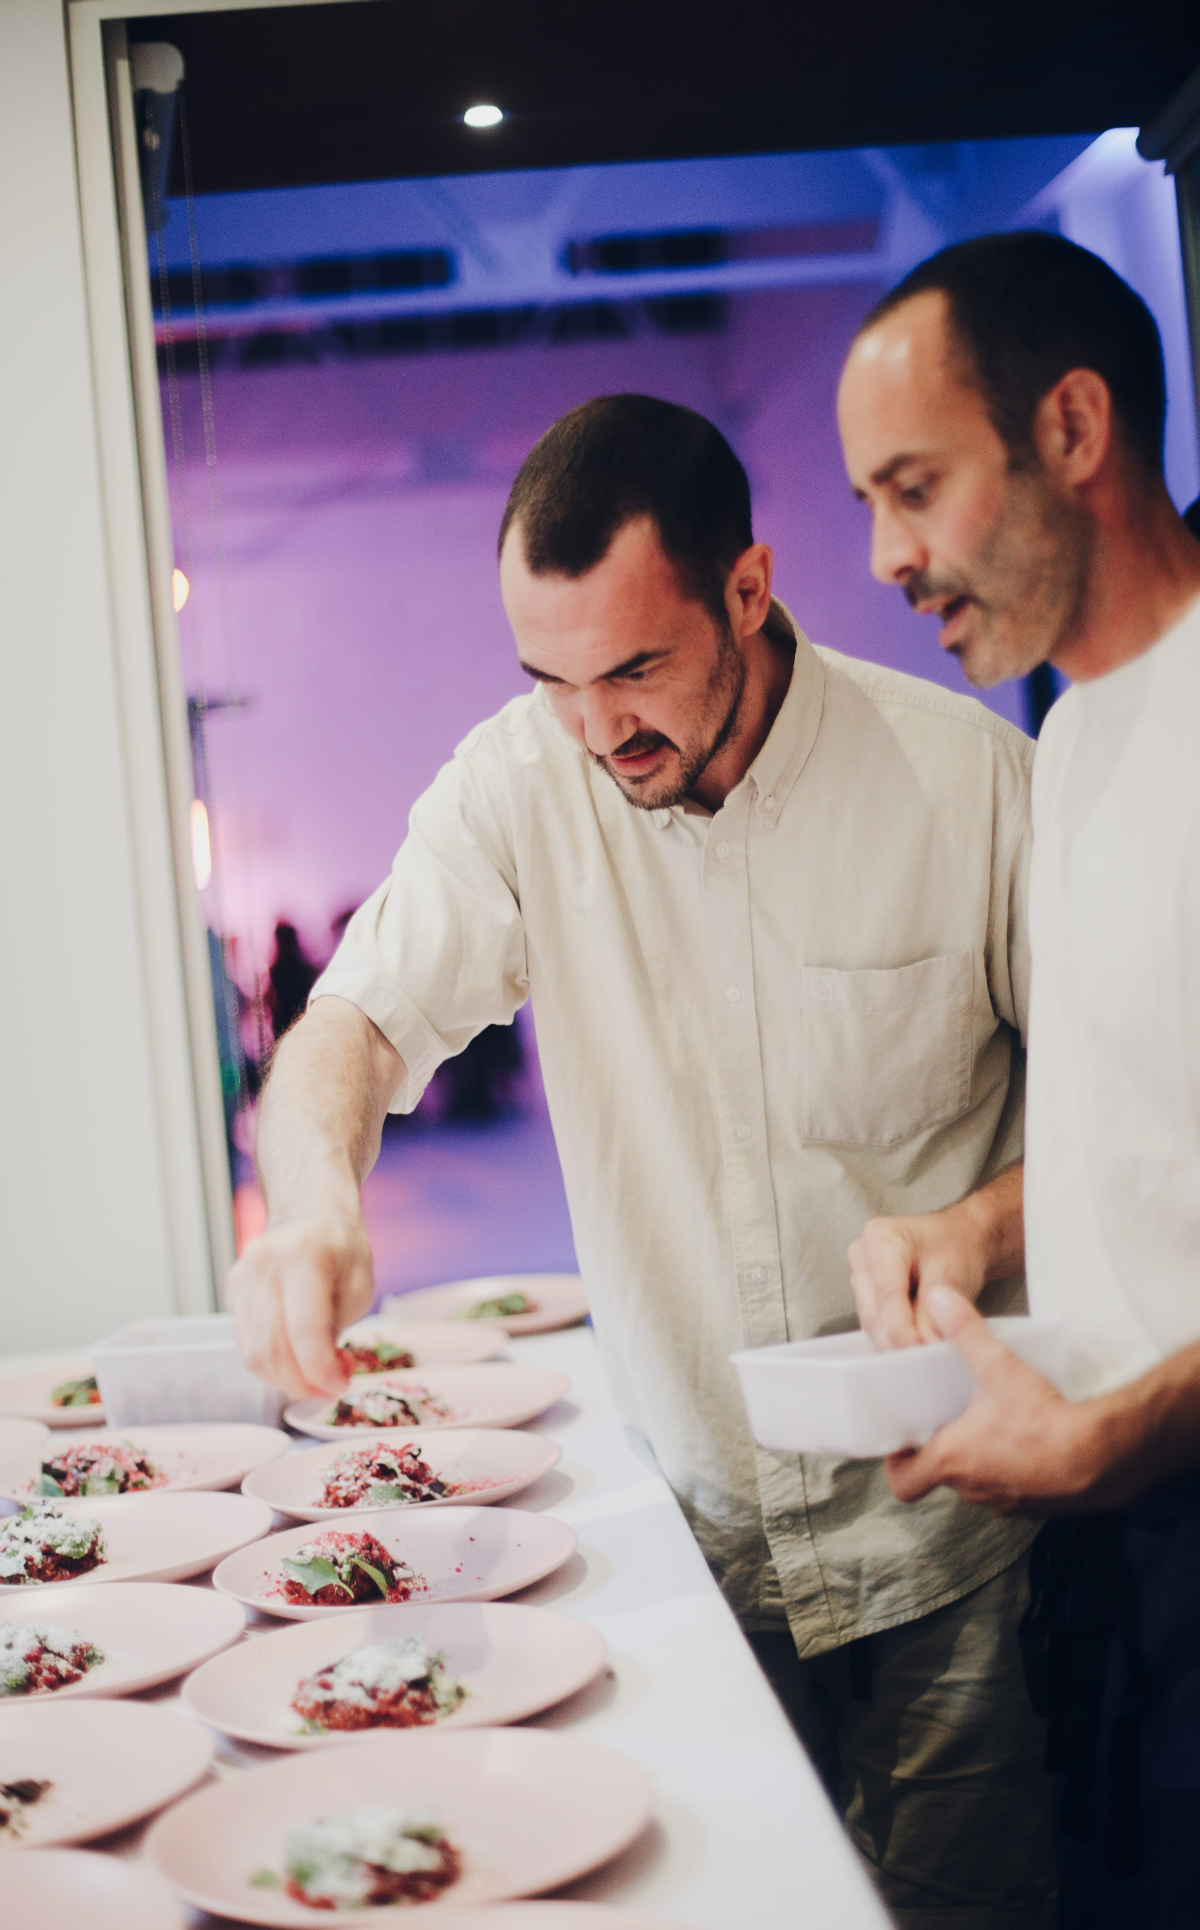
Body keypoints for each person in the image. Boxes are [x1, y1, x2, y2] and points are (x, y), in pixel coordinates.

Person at [229, 393, 1051, 1925]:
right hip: (696, 1532)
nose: (598, 729)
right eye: (549, 678)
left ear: (748, 587)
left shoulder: (966, 782)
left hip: (956, 1532)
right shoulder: (520, 785)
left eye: (635, 668)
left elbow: (1133, 1133)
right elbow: (349, 1027)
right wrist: (316, 1203)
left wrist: (980, 1224)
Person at [837, 231, 1200, 1926]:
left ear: (1073, 429)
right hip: (1119, 1563)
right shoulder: (1065, 741)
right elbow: (1144, 1137)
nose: (887, 557)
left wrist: (1128, 1428)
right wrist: (972, 1228)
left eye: (913, 488)